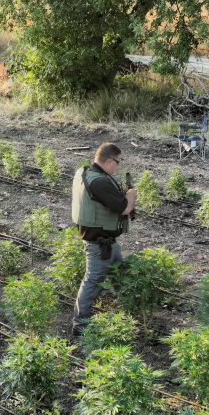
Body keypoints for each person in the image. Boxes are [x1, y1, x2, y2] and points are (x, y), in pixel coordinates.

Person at [70, 142, 137, 334]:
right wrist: (131, 194)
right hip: (99, 245)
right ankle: (80, 325)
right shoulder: (100, 181)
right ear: (109, 161)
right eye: (116, 162)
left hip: (106, 243)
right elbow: (125, 208)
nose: (117, 166)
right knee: (91, 283)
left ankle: (127, 310)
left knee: (119, 276)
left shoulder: (84, 172)